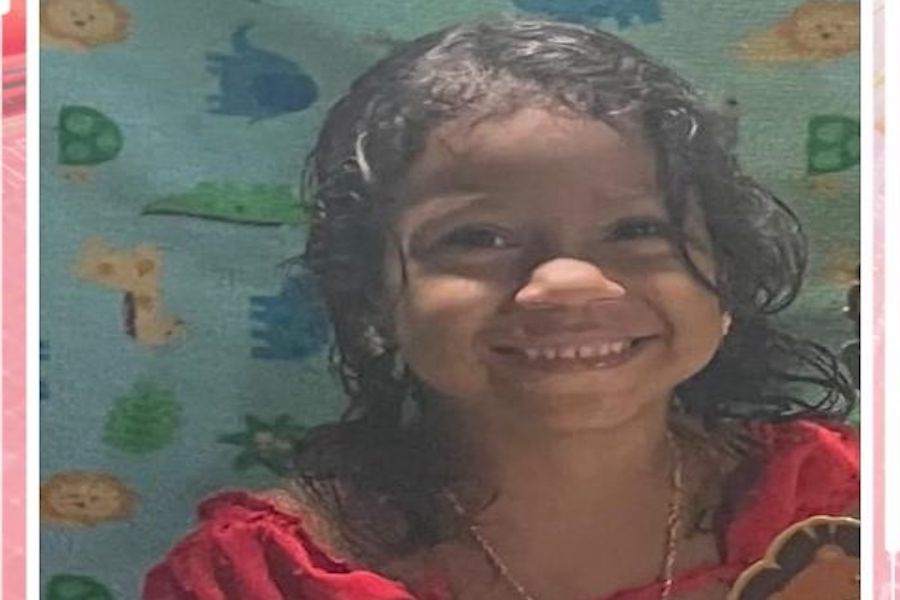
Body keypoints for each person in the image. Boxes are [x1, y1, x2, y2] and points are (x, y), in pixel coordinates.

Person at [142, 19, 859, 600]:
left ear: (725, 274)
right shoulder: (261, 580)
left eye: (637, 229)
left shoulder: (847, 504)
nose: (569, 283)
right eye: (479, 238)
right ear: (369, 296)